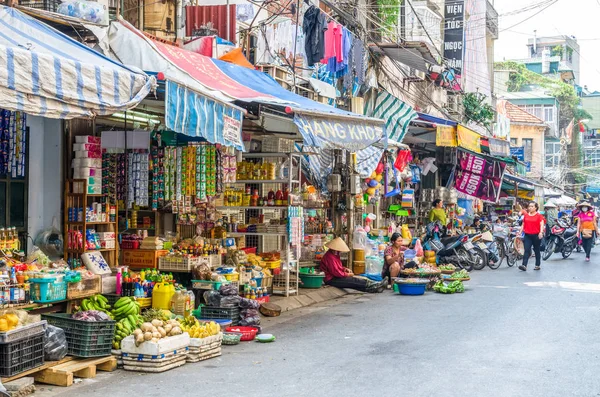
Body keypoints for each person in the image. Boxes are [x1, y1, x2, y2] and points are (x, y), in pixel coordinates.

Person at [319, 237, 387, 292]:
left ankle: (374, 288)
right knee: (354, 281)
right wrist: (347, 274)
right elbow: (336, 272)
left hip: (335, 277)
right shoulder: (330, 257)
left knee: (354, 283)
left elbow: (338, 267)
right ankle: (376, 285)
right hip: (331, 279)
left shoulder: (335, 255)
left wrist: (345, 269)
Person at [518, 202, 545, 271]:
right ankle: (524, 265)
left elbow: (541, 224)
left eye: (532, 206)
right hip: (527, 235)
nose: (530, 207)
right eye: (529, 206)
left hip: (536, 235)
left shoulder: (539, 216)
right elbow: (523, 225)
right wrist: (520, 232)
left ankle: (537, 265)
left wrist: (541, 232)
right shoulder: (526, 216)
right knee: (526, 250)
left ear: (535, 208)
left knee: (536, 250)